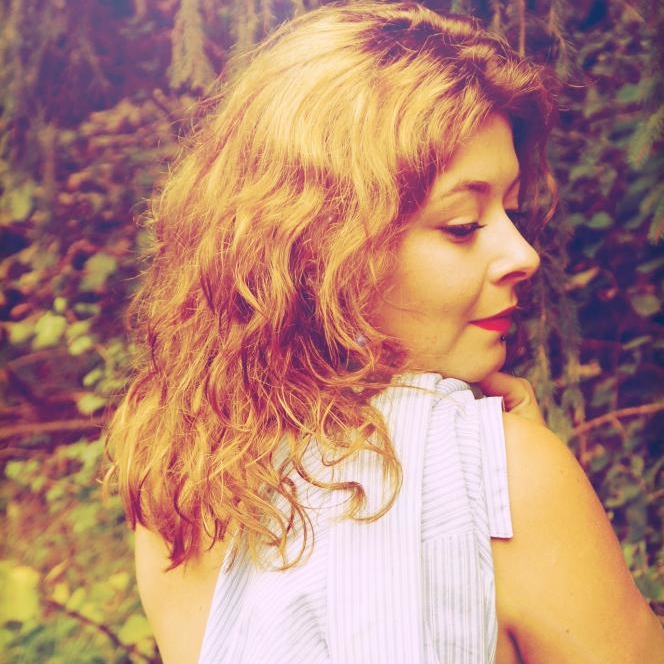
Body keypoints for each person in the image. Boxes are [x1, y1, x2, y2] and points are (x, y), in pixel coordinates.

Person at [104, 2, 664, 663]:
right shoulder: (509, 479)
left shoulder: (183, 479)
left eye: (512, 210)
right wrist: (517, 471)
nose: (523, 255)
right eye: (462, 225)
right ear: (322, 249)